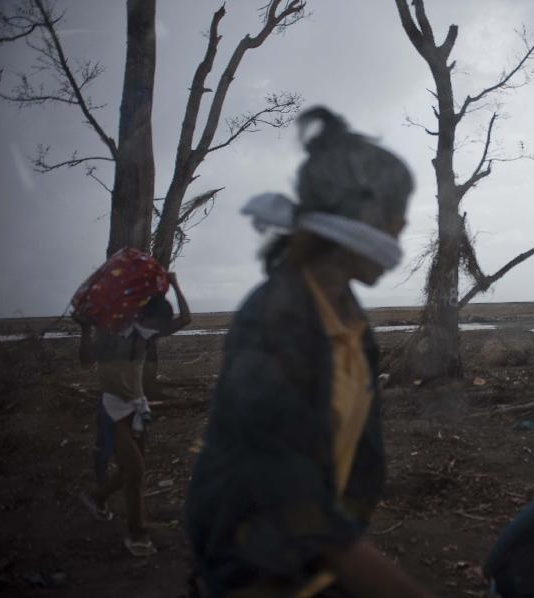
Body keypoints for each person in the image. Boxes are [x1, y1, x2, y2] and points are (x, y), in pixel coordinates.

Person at [185, 107, 432, 597]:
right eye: (394, 209)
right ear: (356, 212)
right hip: (253, 574)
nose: (404, 223)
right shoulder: (273, 323)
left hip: (310, 564)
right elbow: (287, 498)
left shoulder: (349, 320)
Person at [77, 272, 191, 556]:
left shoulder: (146, 334)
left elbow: (186, 319)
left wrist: (175, 286)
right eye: (158, 323)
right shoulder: (112, 333)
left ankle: (96, 496)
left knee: (133, 468)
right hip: (112, 408)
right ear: (146, 317)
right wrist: (84, 330)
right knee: (136, 470)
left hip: (138, 407)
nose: (160, 329)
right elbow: (85, 361)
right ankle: (137, 533)